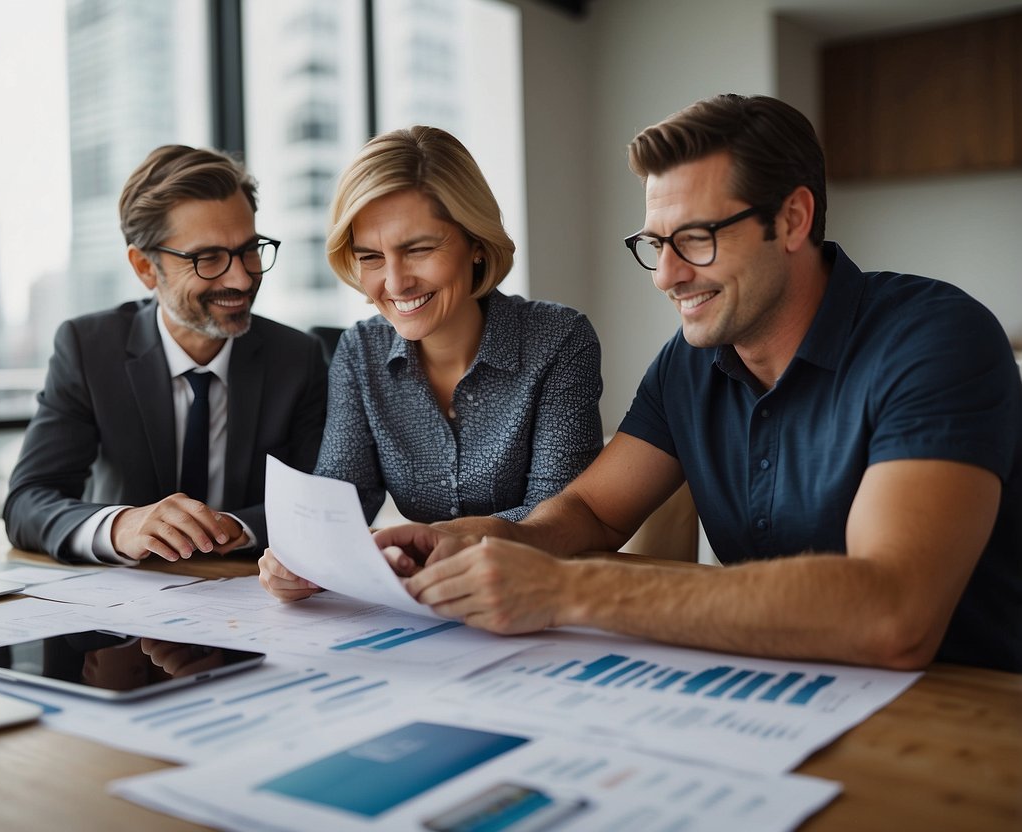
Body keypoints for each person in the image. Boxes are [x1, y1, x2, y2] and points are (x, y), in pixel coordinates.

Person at [301, 95, 1020, 673]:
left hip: (967, 703)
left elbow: (891, 614)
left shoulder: (933, 339)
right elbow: (589, 511)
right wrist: (481, 538)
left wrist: (567, 588)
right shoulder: (691, 361)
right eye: (654, 243)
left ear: (792, 218)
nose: (666, 275)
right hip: (785, 683)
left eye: (696, 239)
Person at [257, 126, 604, 598]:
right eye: (371, 257)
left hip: (537, 604)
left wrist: (433, 542)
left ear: (476, 244)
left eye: (418, 249)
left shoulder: (559, 340)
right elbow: (338, 503)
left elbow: (559, 517)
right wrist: (302, 559)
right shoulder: (361, 352)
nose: (396, 282)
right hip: (430, 611)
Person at [4, 145, 328, 565]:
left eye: (249, 249)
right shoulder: (89, 349)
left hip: (249, 598)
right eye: (207, 258)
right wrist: (123, 526)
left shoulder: (297, 358)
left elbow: (321, 502)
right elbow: (28, 500)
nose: (242, 277)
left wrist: (235, 527)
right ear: (144, 267)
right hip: (119, 606)